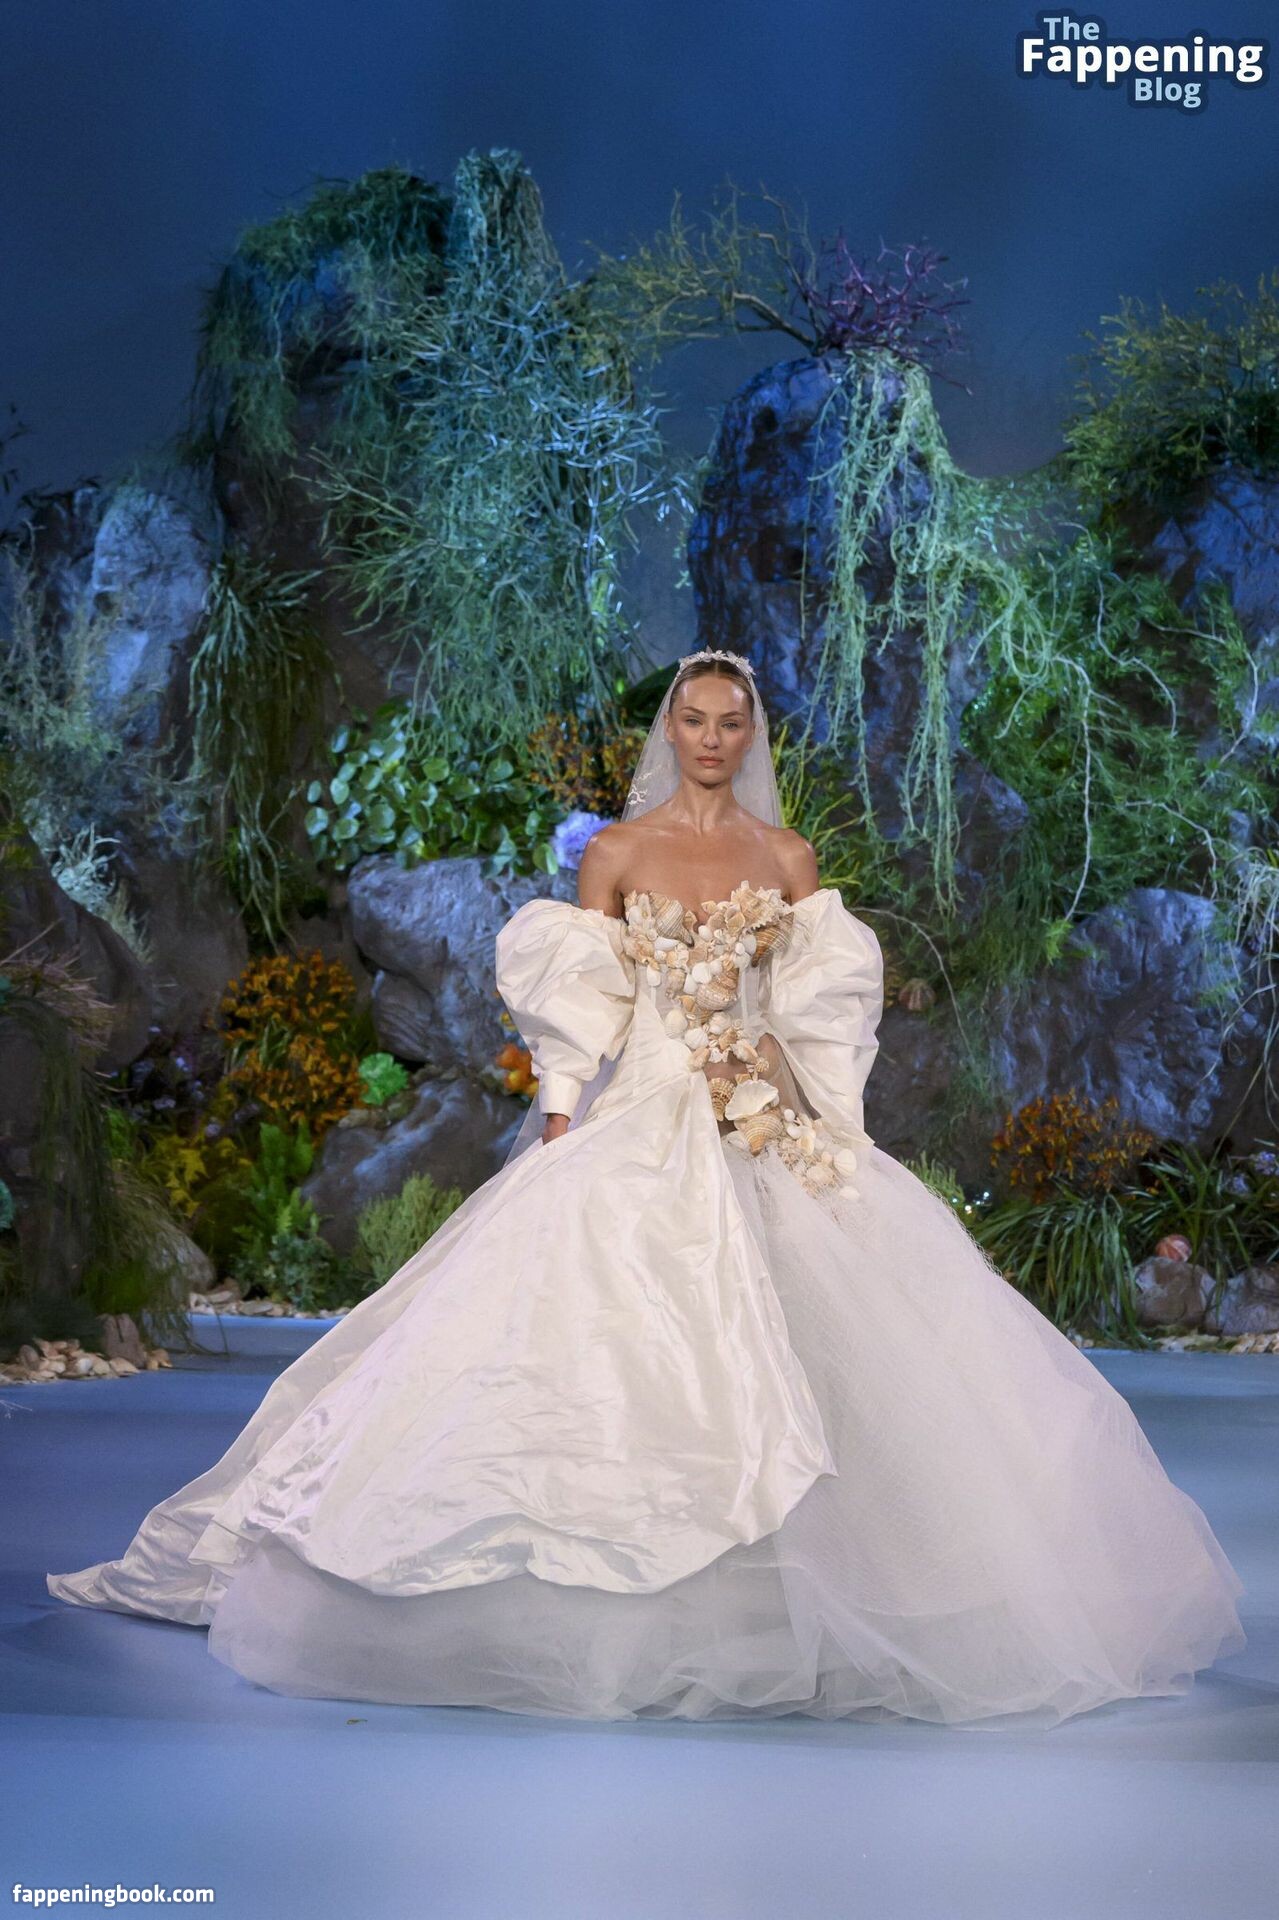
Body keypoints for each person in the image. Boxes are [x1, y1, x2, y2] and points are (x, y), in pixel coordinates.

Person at [46, 648, 1247, 1729]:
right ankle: (576, 1596)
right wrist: (560, 1118)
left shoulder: (785, 858)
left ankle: (798, 1595)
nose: (712, 737)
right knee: (612, 1338)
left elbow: (817, 1008)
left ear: (749, 733)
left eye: (731, 721)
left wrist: (828, 1125)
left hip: (760, 1111)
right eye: (695, 719)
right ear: (670, 729)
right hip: (649, 1109)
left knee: (815, 1334)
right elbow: (586, 998)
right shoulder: (615, 854)